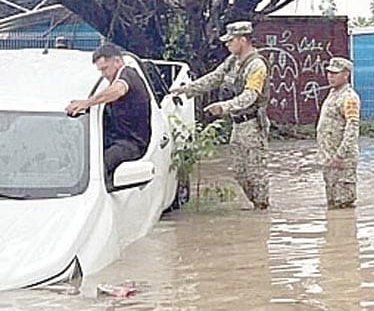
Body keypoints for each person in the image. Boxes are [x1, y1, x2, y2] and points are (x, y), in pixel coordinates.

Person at [170, 21, 271, 209]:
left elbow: (250, 96)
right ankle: (256, 208)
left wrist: (224, 107)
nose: (227, 44)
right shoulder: (233, 61)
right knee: (239, 173)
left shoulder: (257, 65)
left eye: (231, 40)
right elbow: (214, 78)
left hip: (252, 125)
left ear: (243, 40)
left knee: (256, 174)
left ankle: (262, 212)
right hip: (237, 125)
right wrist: (187, 89)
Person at [66, 43, 151, 189]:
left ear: (117, 61)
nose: (103, 74)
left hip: (131, 143)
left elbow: (118, 90)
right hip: (115, 138)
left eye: (105, 69)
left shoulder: (128, 74)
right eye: (100, 70)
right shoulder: (115, 80)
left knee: (100, 167)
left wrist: (87, 103)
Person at [316, 57, 361, 208]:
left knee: (343, 204)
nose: (330, 76)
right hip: (329, 158)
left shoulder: (349, 97)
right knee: (332, 203)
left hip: (342, 160)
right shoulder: (333, 93)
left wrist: (340, 155)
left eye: (335, 73)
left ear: (346, 74)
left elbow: (352, 129)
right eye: (329, 73)